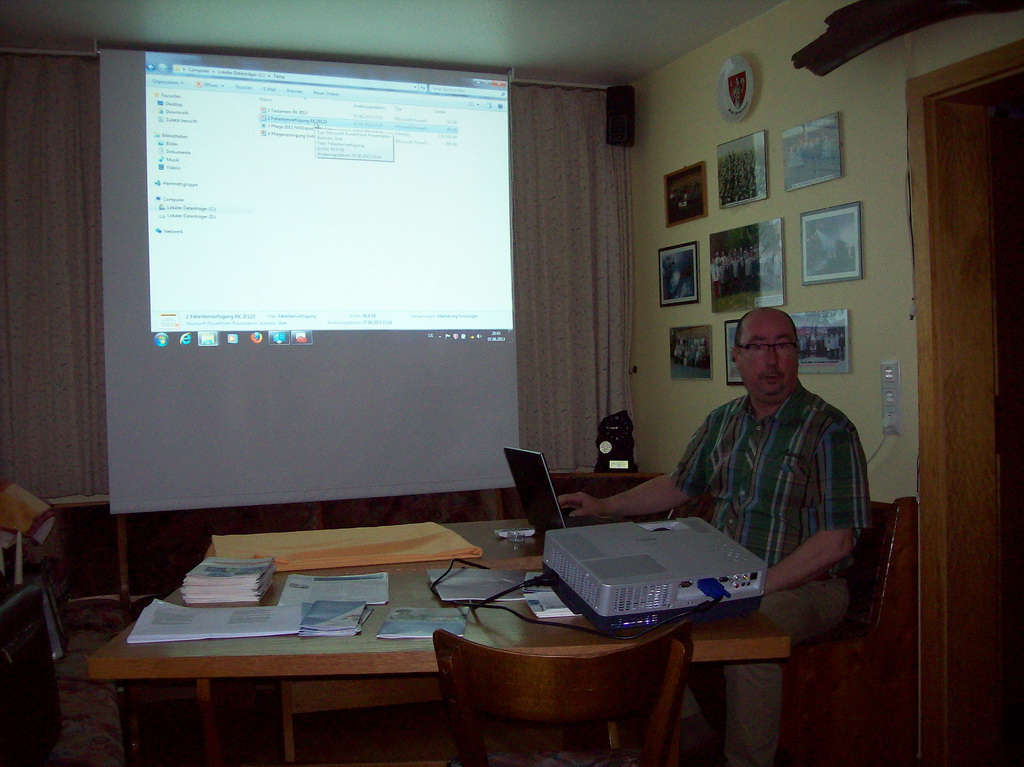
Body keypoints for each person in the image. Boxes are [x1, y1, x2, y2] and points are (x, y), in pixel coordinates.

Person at [558, 307, 870, 767]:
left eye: (783, 346)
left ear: (797, 354)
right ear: (737, 357)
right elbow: (678, 485)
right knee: (644, 610)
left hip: (808, 586)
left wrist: (758, 586)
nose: (771, 360)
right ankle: (689, 738)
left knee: (754, 635)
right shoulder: (723, 422)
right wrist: (604, 506)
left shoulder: (830, 430)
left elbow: (837, 542)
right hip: (724, 575)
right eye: (757, 347)